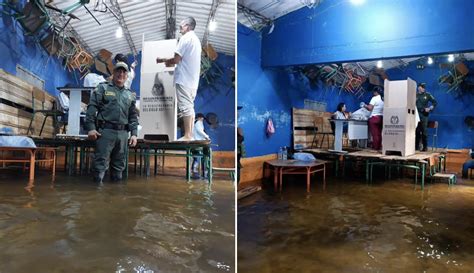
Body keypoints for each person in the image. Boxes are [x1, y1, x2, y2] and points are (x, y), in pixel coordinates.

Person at [85, 62, 139, 183]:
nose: (121, 74)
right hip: (105, 133)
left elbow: (133, 116)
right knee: (100, 166)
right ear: (113, 73)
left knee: (119, 167)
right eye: (118, 71)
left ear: (127, 75)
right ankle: (97, 196)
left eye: (124, 72)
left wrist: (134, 134)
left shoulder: (130, 95)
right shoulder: (102, 88)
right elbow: (92, 108)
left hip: (123, 135)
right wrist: (91, 128)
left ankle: (115, 197)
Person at [156, 16, 202, 141]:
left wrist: (164, 61)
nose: (180, 28)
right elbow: (181, 60)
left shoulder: (185, 38)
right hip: (192, 82)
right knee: (189, 107)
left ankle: (187, 135)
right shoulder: (196, 40)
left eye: (181, 25)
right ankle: (189, 135)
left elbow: (176, 59)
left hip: (184, 80)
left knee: (186, 108)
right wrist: (164, 61)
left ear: (187, 26)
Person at [416, 83, 437, 151]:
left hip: (424, 115)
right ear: (419, 88)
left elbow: (435, 102)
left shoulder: (427, 95)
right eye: (422, 87)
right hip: (416, 115)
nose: (423, 88)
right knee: (416, 131)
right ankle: (416, 147)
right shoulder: (415, 95)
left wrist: (430, 108)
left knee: (424, 131)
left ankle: (425, 147)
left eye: (424, 87)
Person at [362, 86, 384, 150]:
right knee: (379, 133)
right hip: (381, 118)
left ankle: (375, 147)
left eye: (373, 92)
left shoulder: (374, 98)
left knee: (374, 134)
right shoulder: (383, 99)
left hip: (374, 118)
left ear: (376, 92)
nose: (373, 93)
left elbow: (370, 108)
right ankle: (379, 146)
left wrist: (364, 105)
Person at [192, 113, 210, 177]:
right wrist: (207, 136)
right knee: (203, 156)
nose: (202, 119)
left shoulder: (193, 122)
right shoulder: (198, 122)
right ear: (199, 117)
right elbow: (200, 131)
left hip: (194, 142)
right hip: (199, 142)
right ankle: (204, 172)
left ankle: (194, 171)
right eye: (202, 118)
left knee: (196, 157)